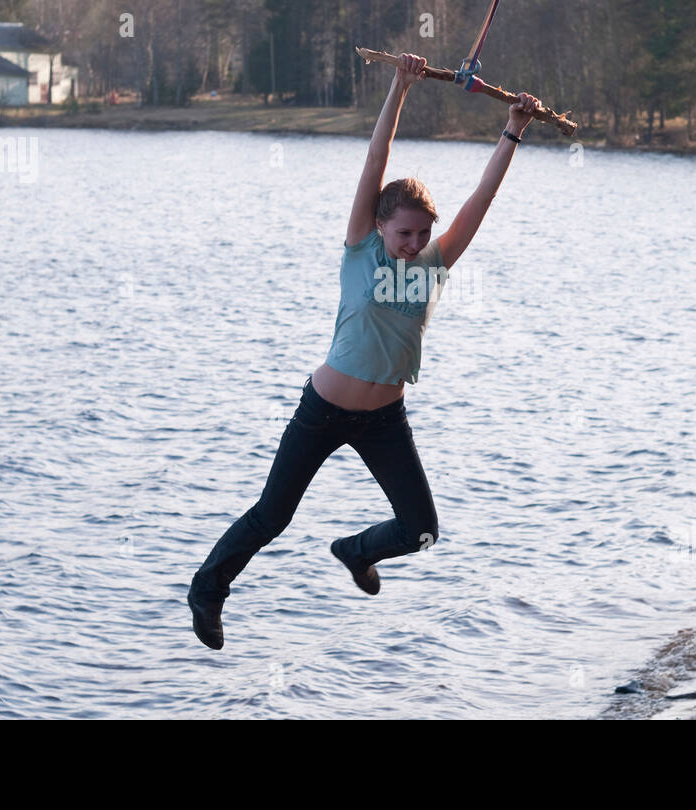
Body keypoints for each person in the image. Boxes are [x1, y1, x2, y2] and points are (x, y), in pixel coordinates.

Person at [187, 52, 543, 650]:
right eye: (404, 232)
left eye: (422, 234)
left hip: (384, 417)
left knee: (422, 529)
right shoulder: (361, 247)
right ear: (380, 225)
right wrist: (399, 87)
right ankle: (208, 589)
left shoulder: (435, 263)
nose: (414, 243)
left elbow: (480, 200)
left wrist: (514, 129)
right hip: (323, 408)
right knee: (273, 515)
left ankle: (355, 552)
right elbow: (375, 160)